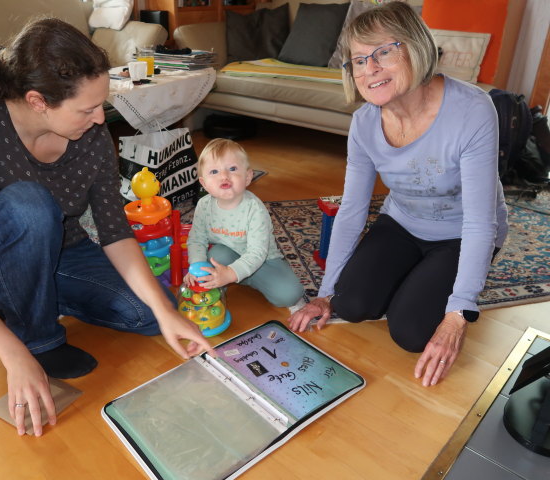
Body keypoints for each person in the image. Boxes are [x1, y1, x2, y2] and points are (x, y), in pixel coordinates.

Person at [0, 18, 214, 437]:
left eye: (102, 104)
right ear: (38, 100)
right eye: (87, 108)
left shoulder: (92, 136)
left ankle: (32, 298)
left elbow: (115, 231)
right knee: (30, 205)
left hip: (64, 250)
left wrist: (164, 310)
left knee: (147, 314)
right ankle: (36, 336)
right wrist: (15, 357)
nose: (101, 119)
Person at [287, 2, 508, 388]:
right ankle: (413, 278)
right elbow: (353, 210)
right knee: (351, 304)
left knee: (410, 332)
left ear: (415, 47)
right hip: (403, 221)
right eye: (358, 60)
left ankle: (441, 284)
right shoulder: (364, 124)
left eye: (383, 52)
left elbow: (479, 221)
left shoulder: (473, 110)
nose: (369, 68)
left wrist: (458, 314)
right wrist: (324, 295)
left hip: (460, 232)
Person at [185, 138, 304, 307]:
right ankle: (230, 278)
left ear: (248, 177)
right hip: (227, 255)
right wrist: (196, 266)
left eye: (232, 169)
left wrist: (232, 273)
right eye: (214, 172)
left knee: (290, 294)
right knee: (215, 257)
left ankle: (240, 279)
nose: (224, 176)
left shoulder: (255, 209)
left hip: (263, 262)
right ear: (203, 183)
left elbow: (257, 253)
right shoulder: (204, 206)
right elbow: (197, 239)